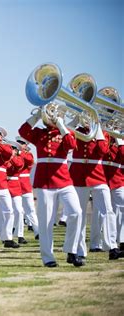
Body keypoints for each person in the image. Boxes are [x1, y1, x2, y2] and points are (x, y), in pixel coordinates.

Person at [19, 110, 84, 267]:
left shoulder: (66, 132)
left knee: (76, 212)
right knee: (46, 221)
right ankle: (48, 257)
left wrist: (61, 124)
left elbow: (71, 145)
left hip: (63, 179)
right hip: (45, 181)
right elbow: (23, 131)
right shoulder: (39, 133)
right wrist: (37, 115)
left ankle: (72, 250)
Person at [69, 124, 123, 260]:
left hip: (97, 175)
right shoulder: (76, 130)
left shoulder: (102, 133)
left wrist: (98, 127)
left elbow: (102, 150)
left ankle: (112, 247)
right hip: (79, 175)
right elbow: (68, 143)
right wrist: (75, 121)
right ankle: (78, 250)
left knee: (108, 210)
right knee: (78, 214)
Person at [16, 136, 39, 239]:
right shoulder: (13, 155)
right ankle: (19, 235)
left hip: (25, 185)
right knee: (18, 211)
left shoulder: (28, 154)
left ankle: (37, 231)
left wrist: (19, 153)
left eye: (22, 143)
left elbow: (30, 161)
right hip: (15, 184)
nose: (20, 144)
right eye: (18, 143)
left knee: (30, 209)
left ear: (26, 146)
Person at [104, 135, 124, 251]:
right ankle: (99, 244)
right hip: (101, 178)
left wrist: (120, 141)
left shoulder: (120, 138)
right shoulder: (103, 135)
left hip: (118, 179)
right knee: (103, 213)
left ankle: (121, 240)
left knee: (121, 209)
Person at [5, 142, 27, 244]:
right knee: (6, 211)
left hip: (14, 184)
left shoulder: (19, 159)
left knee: (19, 210)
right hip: (4, 183)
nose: (11, 150)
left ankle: (19, 234)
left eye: (13, 149)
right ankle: (5, 234)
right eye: (10, 148)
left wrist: (11, 155)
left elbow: (18, 165)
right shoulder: (5, 158)